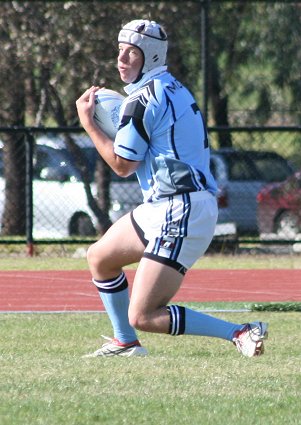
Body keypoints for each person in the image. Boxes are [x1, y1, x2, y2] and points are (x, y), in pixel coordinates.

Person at [76, 19, 268, 358]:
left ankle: (239, 332)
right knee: (100, 257)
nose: (121, 59)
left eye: (130, 53)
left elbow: (122, 166)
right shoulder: (173, 86)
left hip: (180, 208)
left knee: (145, 314)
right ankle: (125, 343)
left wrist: (90, 125)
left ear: (149, 57)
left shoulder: (141, 100)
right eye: (119, 51)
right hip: (167, 205)